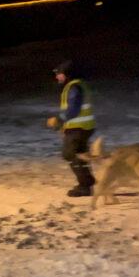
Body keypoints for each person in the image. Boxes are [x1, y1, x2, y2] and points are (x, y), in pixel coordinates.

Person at [47, 60, 97, 197]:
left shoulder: (74, 87)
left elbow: (73, 109)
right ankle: (87, 184)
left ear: (67, 74)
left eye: (59, 74)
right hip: (84, 127)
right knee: (80, 155)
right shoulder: (77, 85)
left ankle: (85, 185)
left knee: (69, 154)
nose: (57, 77)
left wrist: (59, 120)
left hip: (78, 128)